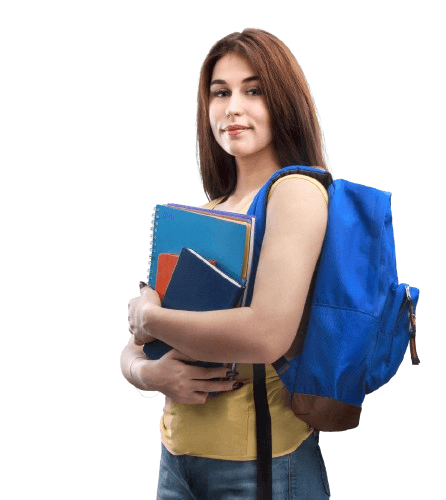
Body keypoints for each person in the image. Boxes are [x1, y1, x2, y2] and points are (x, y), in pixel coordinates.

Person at [122, 27, 333, 499]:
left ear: (284, 101)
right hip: (175, 461)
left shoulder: (294, 192)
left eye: (253, 90)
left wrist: (150, 316)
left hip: (260, 464)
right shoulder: (210, 210)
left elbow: (266, 334)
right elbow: (137, 348)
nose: (232, 106)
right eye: (220, 92)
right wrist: (148, 373)